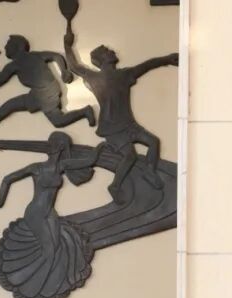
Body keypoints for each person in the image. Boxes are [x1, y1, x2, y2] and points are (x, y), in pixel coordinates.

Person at [0, 131, 100, 298]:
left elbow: (89, 161)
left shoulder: (62, 166)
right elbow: (8, 179)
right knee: (49, 251)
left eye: (60, 145)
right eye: (60, 144)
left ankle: (48, 285)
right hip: (35, 212)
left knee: (57, 247)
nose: (59, 148)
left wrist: (101, 148)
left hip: (50, 213)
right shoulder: (36, 168)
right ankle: (30, 286)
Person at [63, 28, 178, 198]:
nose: (112, 52)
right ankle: (115, 186)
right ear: (102, 59)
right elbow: (74, 66)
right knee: (130, 156)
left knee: (153, 142)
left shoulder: (125, 74)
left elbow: (147, 65)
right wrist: (67, 45)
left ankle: (149, 171)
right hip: (112, 128)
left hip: (128, 124)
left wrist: (166, 59)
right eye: (108, 51)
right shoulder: (94, 77)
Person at [0, 35, 95, 130]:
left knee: (13, 105)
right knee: (56, 120)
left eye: (8, 44)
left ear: (17, 46)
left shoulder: (14, 65)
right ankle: (85, 112)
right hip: (46, 90)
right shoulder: (34, 56)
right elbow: (56, 56)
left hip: (44, 93)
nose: (5, 47)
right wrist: (63, 71)